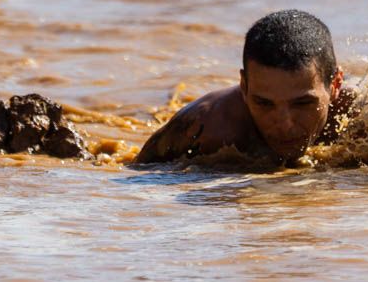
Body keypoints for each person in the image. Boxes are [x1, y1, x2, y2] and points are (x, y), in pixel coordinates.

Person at [134, 9, 347, 168]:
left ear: (335, 85)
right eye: (264, 103)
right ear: (244, 87)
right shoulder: (205, 128)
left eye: (302, 103)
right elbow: (136, 176)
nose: (284, 124)